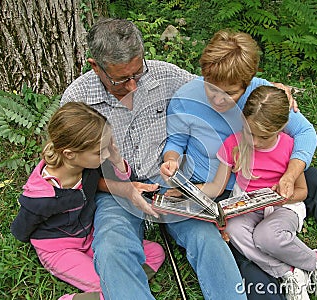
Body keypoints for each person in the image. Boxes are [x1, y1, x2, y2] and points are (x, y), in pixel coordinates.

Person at [160, 29, 317, 298]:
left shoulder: (262, 95)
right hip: (220, 188)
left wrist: (290, 174)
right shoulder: (186, 97)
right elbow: (175, 141)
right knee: (237, 244)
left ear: (247, 83)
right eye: (211, 88)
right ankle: (284, 276)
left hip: (268, 179)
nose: (218, 99)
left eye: (229, 93)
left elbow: (305, 133)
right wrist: (171, 161)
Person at [60, 18, 247, 299]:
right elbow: (73, 172)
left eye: (138, 72)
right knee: (112, 247)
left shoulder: (165, 75)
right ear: (95, 66)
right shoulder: (76, 100)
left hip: (169, 182)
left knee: (207, 238)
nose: (134, 85)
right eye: (122, 79)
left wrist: (269, 87)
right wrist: (122, 188)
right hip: (114, 189)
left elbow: (218, 84)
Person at [10, 102, 165, 300]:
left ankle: (124, 286)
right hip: (60, 250)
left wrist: (117, 160)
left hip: (90, 237)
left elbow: (123, 180)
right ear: (69, 154)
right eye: (100, 152)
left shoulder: (88, 168)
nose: (106, 155)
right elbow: (20, 230)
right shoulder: (41, 197)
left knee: (155, 253)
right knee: (110, 285)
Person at [201, 85, 317, 299]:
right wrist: (189, 192)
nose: (254, 142)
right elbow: (216, 187)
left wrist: (284, 197)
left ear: (281, 127)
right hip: (248, 208)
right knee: (235, 229)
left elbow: (302, 192)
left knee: (266, 236)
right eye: (250, 133)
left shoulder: (288, 148)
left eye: (263, 137)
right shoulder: (234, 145)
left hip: (283, 208)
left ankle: (316, 262)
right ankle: (289, 272)